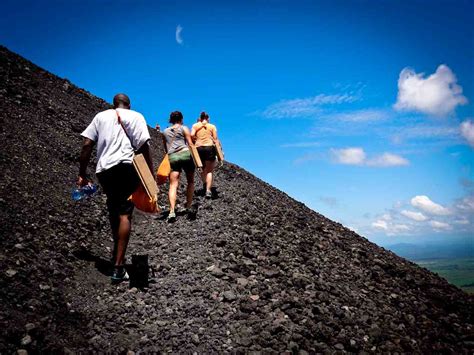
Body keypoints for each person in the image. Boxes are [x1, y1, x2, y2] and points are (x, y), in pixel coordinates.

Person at [78, 93, 153, 284]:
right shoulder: (137, 116)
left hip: (104, 170)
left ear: (114, 104)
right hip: (127, 167)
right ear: (129, 104)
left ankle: (115, 253)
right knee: (125, 214)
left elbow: (87, 145)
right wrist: (149, 174)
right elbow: (144, 146)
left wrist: (82, 172)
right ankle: (119, 267)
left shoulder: (101, 116)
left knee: (114, 208)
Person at [162, 111, 195, 222]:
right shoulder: (184, 128)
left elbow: (166, 149)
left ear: (170, 120)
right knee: (190, 181)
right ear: (181, 119)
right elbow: (190, 144)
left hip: (173, 157)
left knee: (173, 184)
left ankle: (171, 211)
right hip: (185, 154)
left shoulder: (165, 131)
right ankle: (188, 206)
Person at [191, 112, 219, 199]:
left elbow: (191, 135)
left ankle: (204, 184)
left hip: (198, 148)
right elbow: (215, 138)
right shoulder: (212, 126)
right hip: (209, 147)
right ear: (208, 118)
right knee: (209, 171)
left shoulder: (195, 125)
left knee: (202, 168)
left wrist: (196, 139)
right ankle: (208, 190)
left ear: (200, 117)